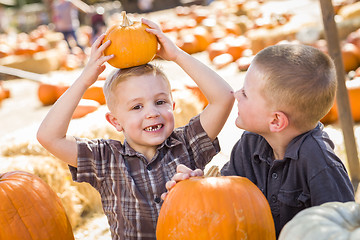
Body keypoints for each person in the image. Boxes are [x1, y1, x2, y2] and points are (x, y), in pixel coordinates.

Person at [36, 18, 234, 239]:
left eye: (160, 102)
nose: (151, 113)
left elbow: (224, 98)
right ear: (115, 121)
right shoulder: (105, 160)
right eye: (137, 106)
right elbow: (48, 136)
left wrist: (177, 55)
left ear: (173, 106)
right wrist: (84, 80)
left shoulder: (188, 144)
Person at [163, 43, 355, 238]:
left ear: (275, 120)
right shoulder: (250, 144)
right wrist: (197, 187)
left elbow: (342, 227)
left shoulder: (320, 164)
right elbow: (225, 198)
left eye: (245, 93)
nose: (236, 94)